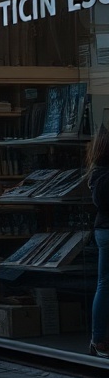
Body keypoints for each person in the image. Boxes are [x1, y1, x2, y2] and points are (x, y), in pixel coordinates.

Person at [90, 127, 109, 357]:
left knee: (104, 284)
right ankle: (98, 338)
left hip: (102, 230)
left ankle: (97, 338)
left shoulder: (96, 173)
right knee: (104, 285)